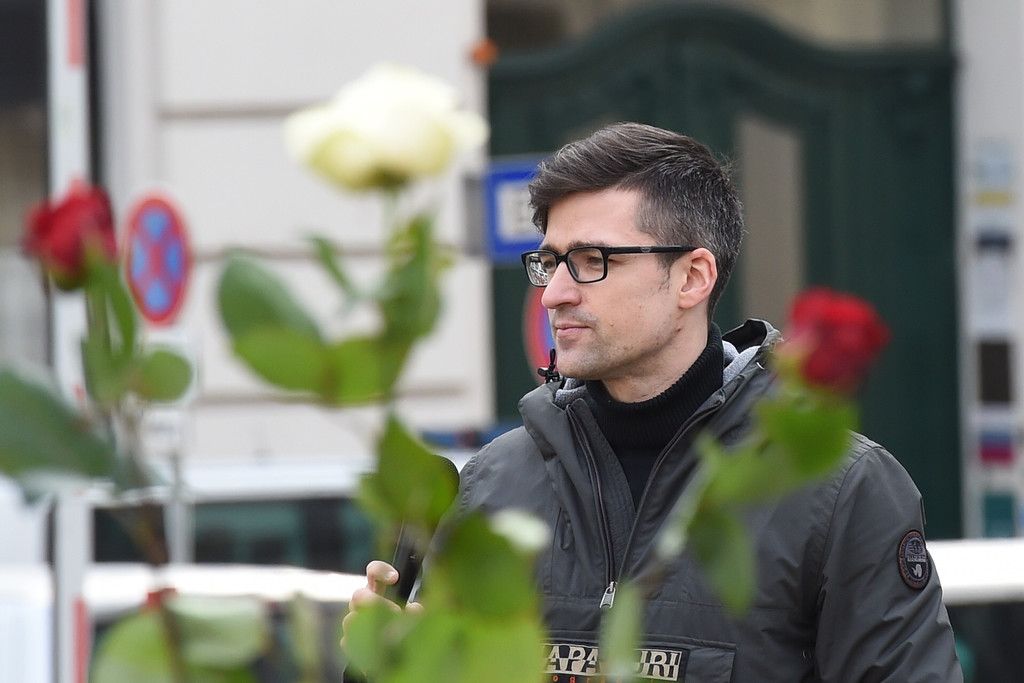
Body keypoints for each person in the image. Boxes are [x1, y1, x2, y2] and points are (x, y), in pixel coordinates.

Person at [344, 122, 962, 681]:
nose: (555, 293)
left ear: (692, 277)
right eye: (551, 262)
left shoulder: (839, 489)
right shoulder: (493, 482)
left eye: (592, 260)